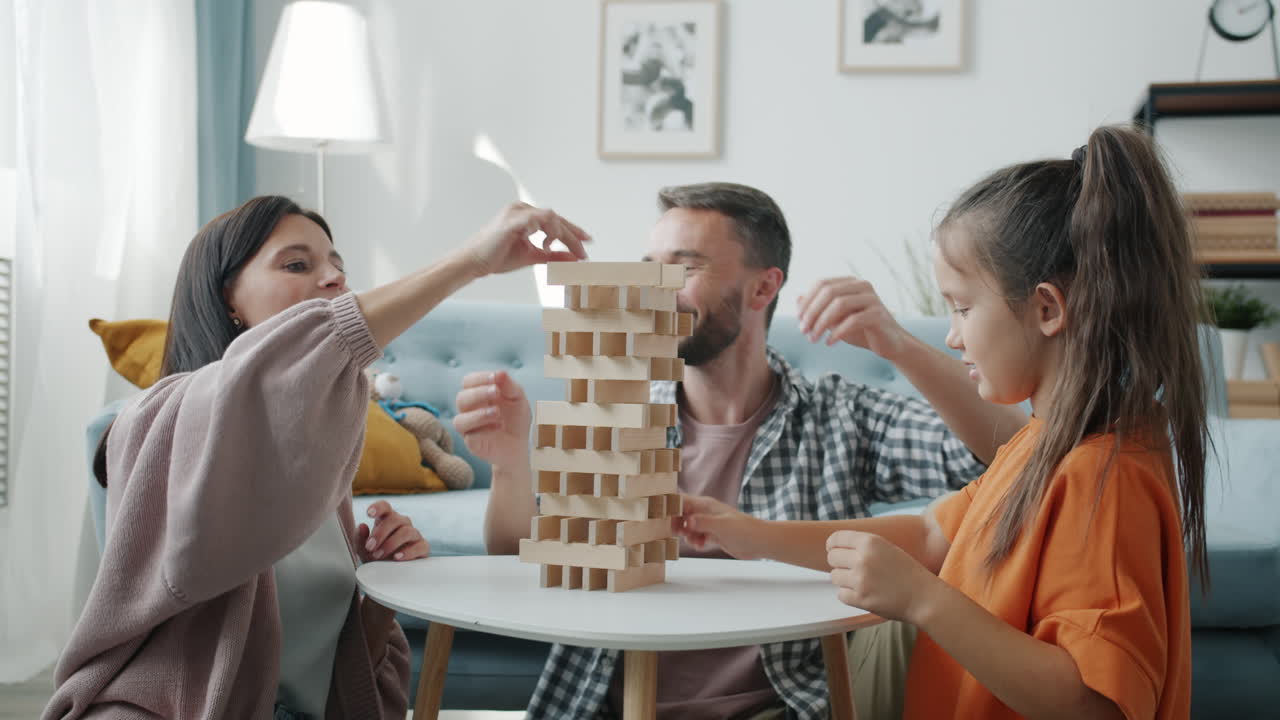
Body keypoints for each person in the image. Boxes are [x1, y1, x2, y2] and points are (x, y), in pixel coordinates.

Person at [682, 126, 1208, 719]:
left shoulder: (1103, 475)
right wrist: (745, 533)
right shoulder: (1039, 444)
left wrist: (923, 600)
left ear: (1046, 309)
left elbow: (1094, 706)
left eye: (961, 307)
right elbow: (932, 536)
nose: (953, 334)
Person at [460, 182, 1027, 719]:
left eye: (682, 267)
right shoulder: (615, 410)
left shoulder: (840, 415)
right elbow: (517, 556)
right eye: (648, 268)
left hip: (777, 706)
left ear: (763, 287)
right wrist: (510, 464)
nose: (655, 288)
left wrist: (899, 345)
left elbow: (1012, 453)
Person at [43, 196, 589, 719]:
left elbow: (339, 669)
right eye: (296, 264)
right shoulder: (164, 419)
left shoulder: (317, 468)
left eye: (337, 265)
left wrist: (377, 585)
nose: (332, 278)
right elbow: (308, 348)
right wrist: (470, 261)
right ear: (227, 297)